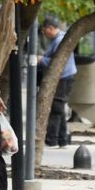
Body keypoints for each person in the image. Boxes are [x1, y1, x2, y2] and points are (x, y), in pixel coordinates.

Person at [38, 16, 76, 147]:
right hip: (63, 77)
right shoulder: (59, 39)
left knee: (56, 108)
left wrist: (41, 60)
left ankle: (53, 139)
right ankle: (62, 139)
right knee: (58, 108)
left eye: (44, 31)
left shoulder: (60, 40)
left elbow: (58, 62)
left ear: (50, 28)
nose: (44, 34)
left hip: (63, 78)